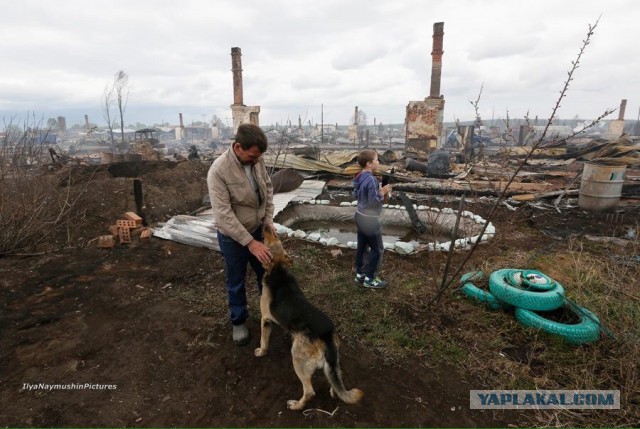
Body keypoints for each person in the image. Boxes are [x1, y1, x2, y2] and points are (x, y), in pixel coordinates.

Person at [207, 123, 275, 346]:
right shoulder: (219, 171)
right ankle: (238, 321)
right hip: (232, 237)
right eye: (252, 157)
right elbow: (223, 215)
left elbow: (268, 188)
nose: (256, 161)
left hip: (257, 228)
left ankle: (269, 312)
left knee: (265, 275)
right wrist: (250, 243)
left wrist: (267, 220)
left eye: (259, 157)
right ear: (238, 147)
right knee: (236, 280)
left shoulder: (258, 160)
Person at [352, 149, 391, 289]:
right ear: (369, 163)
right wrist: (383, 192)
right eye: (376, 160)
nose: (378, 162)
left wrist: (377, 192)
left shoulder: (358, 176)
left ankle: (360, 274)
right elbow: (373, 202)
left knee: (362, 247)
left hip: (359, 215)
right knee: (377, 249)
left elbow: (356, 195)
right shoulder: (372, 180)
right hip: (369, 219)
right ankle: (370, 279)